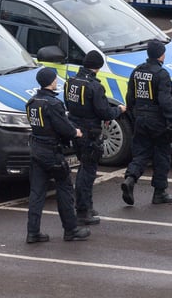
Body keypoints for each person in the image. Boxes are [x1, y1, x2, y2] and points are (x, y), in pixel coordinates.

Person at [25, 67, 90, 243]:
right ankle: (71, 229)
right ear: (50, 81)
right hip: (52, 152)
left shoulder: (32, 102)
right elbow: (63, 127)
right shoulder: (53, 104)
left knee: (37, 193)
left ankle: (33, 232)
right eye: (55, 78)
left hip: (36, 150)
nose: (56, 81)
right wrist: (76, 132)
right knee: (65, 189)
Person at [64, 50, 126, 225]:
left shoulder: (71, 82)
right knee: (87, 172)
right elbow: (104, 111)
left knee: (84, 167)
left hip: (75, 129)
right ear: (98, 67)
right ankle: (83, 210)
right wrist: (119, 110)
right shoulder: (95, 86)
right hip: (90, 132)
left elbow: (68, 104)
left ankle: (87, 206)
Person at [121, 40, 172, 206]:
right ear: (161, 55)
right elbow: (165, 101)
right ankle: (159, 193)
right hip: (157, 120)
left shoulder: (137, 71)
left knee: (141, 153)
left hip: (140, 118)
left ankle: (130, 179)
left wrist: (134, 114)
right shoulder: (162, 74)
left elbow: (130, 96)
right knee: (162, 155)